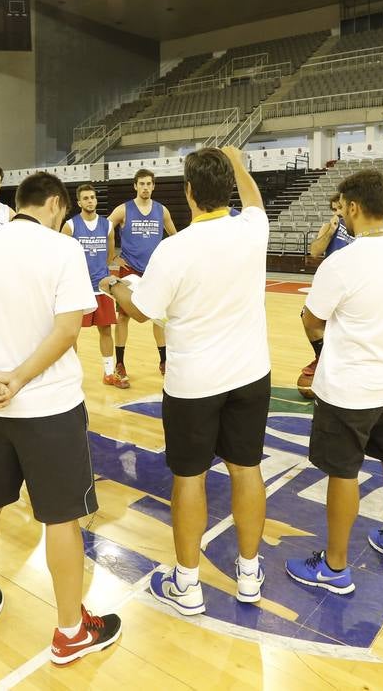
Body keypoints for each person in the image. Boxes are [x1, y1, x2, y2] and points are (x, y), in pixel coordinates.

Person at [0, 171, 121, 666]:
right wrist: (19, 378)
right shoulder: (63, 248)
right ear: (57, 205)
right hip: (50, 408)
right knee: (62, 519)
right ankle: (70, 631)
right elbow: (67, 331)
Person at [104, 147, 271, 616]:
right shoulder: (253, 228)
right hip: (250, 374)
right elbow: (254, 200)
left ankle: (188, 582)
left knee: (190, 477)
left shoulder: (173, 250)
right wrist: (239, 163)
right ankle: (249, 574)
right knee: (247, 470)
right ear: (229, 187)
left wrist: (111, 285)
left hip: (193, 383)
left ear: (189, 192)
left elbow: (141, 311)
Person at [285, 169, 383, 591]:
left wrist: (325, 345)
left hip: (350, 388)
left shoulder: (342, 262)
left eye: (343, 206)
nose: (341, 213)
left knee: (343, 473)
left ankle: (335, 567)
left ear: (355, 207)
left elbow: (312, 319)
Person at [107, 168, 177, 383]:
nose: (145, 187)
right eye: (142, 184)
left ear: (153, 186)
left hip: (154, 271)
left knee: (159, 317)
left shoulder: (162, 211)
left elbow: (175, 237)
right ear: (135, 186)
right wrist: (112, 257)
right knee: (123, 316)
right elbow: (104, 229)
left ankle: (164, 361)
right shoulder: (123, 210)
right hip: (130, 270)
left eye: (149, 184)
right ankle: (120, 363)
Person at [63, 183, 126, 388]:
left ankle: (108, 373)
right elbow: (63, 257)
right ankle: (70, 375)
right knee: (72, 333)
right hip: (78, 288)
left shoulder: (107, 225)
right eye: (86, 198)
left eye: (92, 197)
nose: (90, 201)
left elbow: (109, 255)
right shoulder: (70, 226)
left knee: (105, 330)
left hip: (101, 288)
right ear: (79, 202)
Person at [300, 192, 354, 396]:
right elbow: (314, 251)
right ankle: (322, 357)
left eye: (340, 208)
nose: (337, 212)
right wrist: (330, 232)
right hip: (331, 285)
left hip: (352, 287)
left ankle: (340, 366)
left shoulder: (359, 231)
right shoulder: (329, 227)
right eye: (334, 209)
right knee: (308, 317)